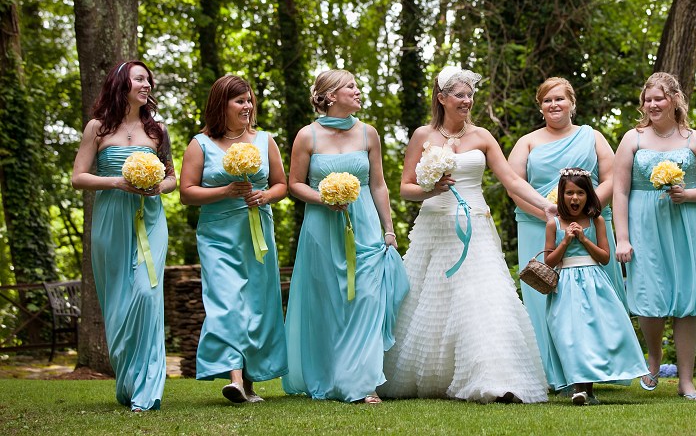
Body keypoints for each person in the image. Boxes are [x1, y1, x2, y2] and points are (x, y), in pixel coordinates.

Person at [379, 66, 553, 404]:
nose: (467, 100)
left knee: (485, 300)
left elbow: (512, 181)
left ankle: (496, 379)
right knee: (429, 303)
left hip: (475, 228)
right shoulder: (421, 136)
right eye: (459, 94)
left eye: (470, 94)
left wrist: (546, 206)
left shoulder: (483, 137)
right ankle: (435, 377)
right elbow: (405, 189)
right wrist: (430, 188)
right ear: (442, 98)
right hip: (435, 227)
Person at [282, 69, 408, 404]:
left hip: (364, 224)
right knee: (330, 304)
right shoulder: (307, 136)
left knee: (367, 297)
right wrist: (323, 197)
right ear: (330, 95)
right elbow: (295, 184)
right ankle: (332, 375)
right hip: (322, 229)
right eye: (350, 86)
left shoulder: (368, 134)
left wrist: (389, 229)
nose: (357, 90)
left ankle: (365, 383)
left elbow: (378, 184)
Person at [612, 72, 696, 401]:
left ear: (674, 99)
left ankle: (686, 381)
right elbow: (619, 191)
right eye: (647, 99)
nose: (652, 104)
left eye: (658, 98)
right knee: (649, 299)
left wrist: (688, 195)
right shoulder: (632, 139)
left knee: (687, 302)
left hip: (685, 224)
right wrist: (623, 238)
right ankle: (655, 357)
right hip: (643, 224)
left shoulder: (694, 140)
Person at [72, 60, 175, 412]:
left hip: (150, 218)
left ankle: (148, 390)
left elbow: (172, 178)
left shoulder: (158, 131)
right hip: (111, 220)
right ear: (121, 85)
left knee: (147, 295)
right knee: (117, 303)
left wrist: (157, 185)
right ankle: (129, 381)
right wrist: (117, 181)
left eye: (149, 79)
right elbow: (78, 177)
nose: (147, 85)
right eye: (140, 79)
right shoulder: (97, 128)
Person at [507, 77, 625, 379]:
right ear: (540, 106)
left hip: (592, 224)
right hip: (539, 224)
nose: (554, 105)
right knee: (544, 295)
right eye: (547, 100)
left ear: (572, 102)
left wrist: (587, 212)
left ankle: (597, 369)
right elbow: (514, 186)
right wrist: (550, 217)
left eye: (559, 99)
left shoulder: (592, 136)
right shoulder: (527, 142)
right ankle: (549, 372)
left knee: (595, 300)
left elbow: (612, 177)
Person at [180, 75, 288, 403]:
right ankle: (235, 378)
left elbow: (281, 184)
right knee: (225, 303)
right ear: (221, 105)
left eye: (249, 99)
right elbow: (187, 193)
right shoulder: (200, 144)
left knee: (257, 305)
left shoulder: (265, 140)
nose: (247, 106)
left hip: (257, 232)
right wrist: (225, 191)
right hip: (217, 235)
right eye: (239, 101)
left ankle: (250, 380)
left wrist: (265, 197)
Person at [543, 168, 648, 405]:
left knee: (593, 334)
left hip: (593, 282)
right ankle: (580, 386)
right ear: (562, 195)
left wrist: (583, 238)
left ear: (588, 195)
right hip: (565, 284)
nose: (575, 198)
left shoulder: (596, 221)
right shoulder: (554, 224)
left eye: (580, 193)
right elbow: (549, 260)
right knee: (572, 334)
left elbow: (604, 257)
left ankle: (586, 390)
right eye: (569, 193)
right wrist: (567, 241)